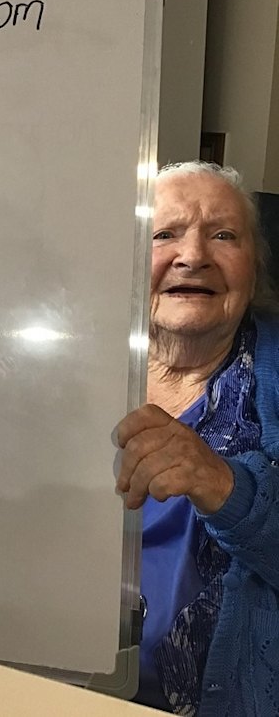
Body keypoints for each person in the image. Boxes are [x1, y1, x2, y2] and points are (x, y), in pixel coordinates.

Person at [116, 161, 279, 716]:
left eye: (224, 235)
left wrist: (225, 484)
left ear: (255, 266)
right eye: (164, 235)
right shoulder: (76, 366)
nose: (193, 256)